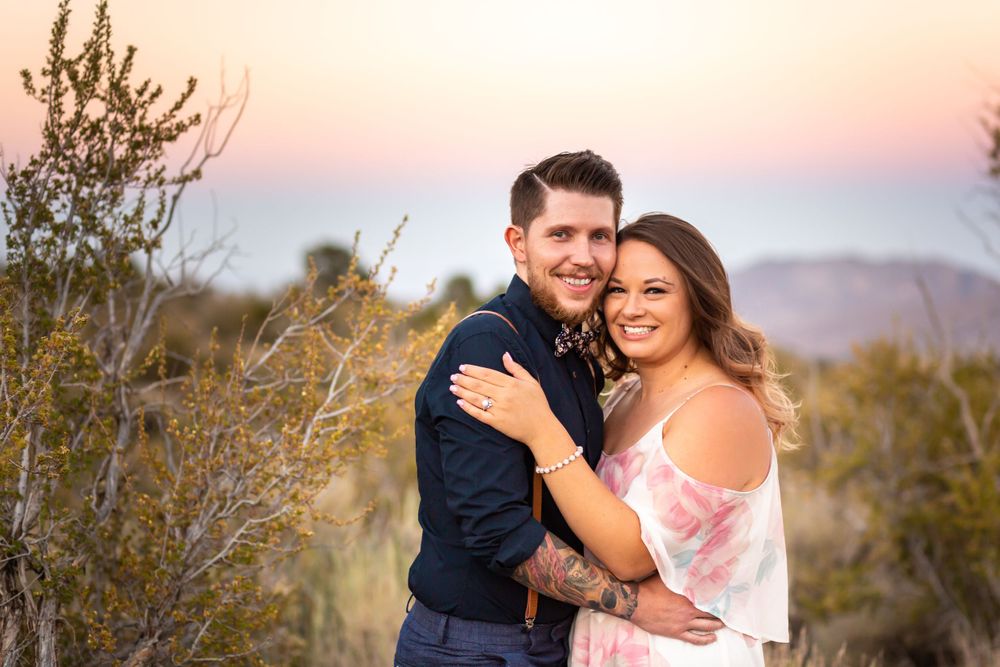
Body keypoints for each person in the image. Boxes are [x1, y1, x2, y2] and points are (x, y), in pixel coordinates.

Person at [394, 157, 724, 666]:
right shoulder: (488, 345)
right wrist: (633, 604)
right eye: (561, 234)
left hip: (555, 643)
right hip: (474, 648)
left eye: (599, 236)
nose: (583, 257)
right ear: (519, 244)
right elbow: (496, 529)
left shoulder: (575, 355)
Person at [451, 213, 796, 665]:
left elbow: (631, 556)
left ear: (697, 298)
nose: (631, 308)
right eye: (617, 289)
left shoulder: (720, 409)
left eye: (655, 290)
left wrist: (540, 429)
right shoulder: (627, 396)